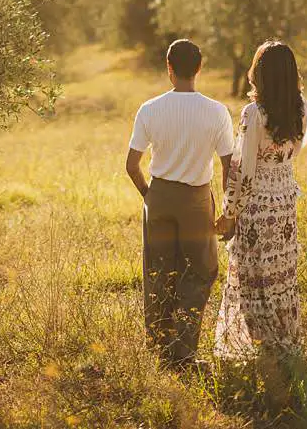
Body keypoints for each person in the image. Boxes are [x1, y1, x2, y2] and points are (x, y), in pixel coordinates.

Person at [125, 38, 234, 367]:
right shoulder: (216, 111)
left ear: (169, 68)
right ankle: (183, 351)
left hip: (158, 195)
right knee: (201, 270)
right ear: (199, 68)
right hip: (196, 199)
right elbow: (229, 165)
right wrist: (228, 211)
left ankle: (158, 348)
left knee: (158, 270)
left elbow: (131, 166)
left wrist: (151, 196)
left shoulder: (150, 108)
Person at [213, 40, 307, 367]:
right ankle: (282, 343)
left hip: (257, 204)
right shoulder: (301, 107)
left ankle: (265, 349)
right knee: (280, 272)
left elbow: (244, 169)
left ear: (263, 74)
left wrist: (229, 213)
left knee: (253, 274)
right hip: (284, 200)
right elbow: (296, 150)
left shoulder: (254, 113)